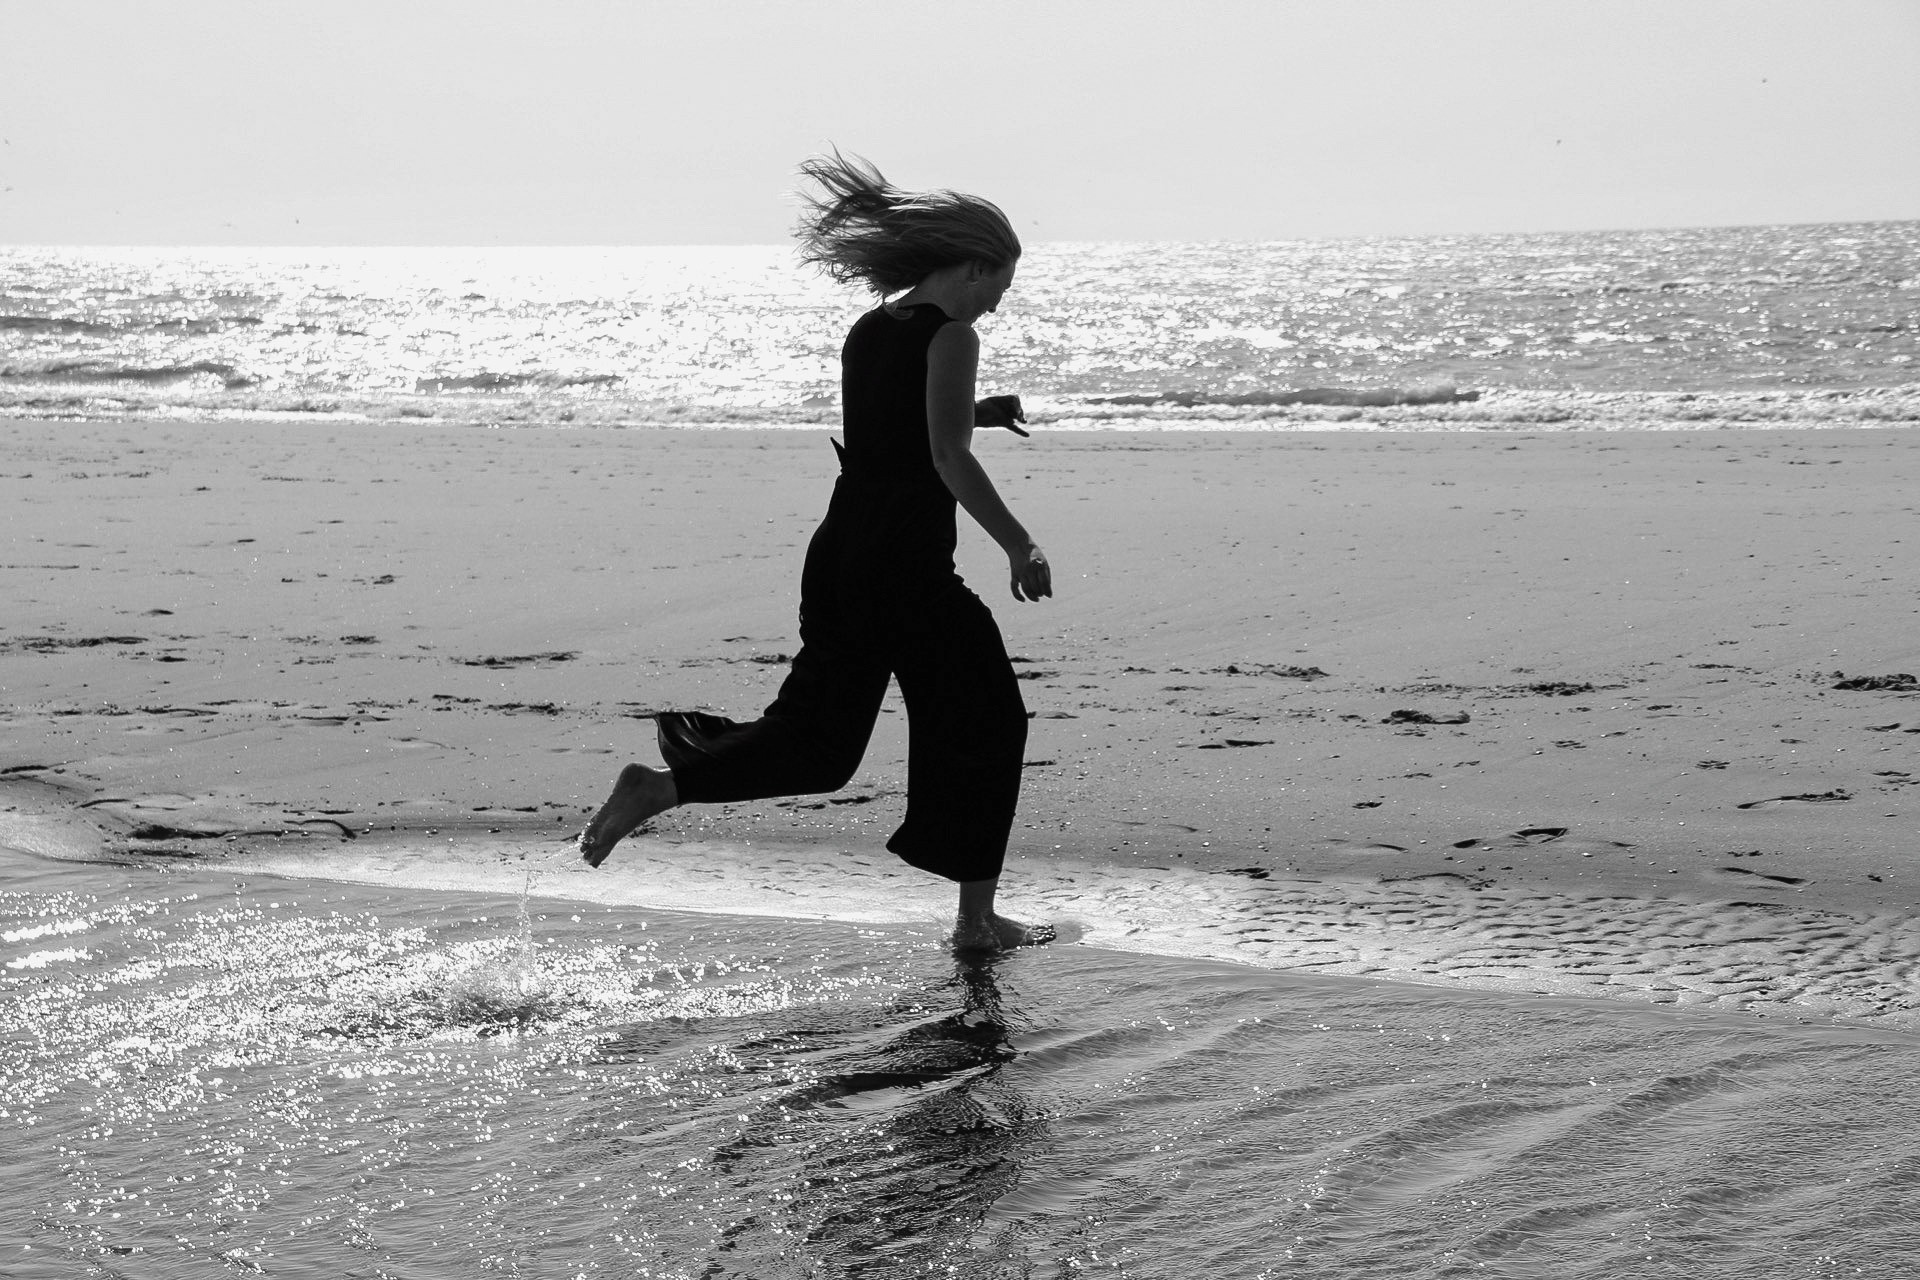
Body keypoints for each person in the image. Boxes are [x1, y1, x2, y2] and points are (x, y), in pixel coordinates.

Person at [579, 152, 1054, 953]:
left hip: (841, 560)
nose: (1002, 298)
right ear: (974, 266)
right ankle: (976, 923)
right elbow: (945, 459)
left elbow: (895, 433)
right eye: (1001, 280)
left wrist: (976, 408)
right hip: (906, 572)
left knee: (819, 745)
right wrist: (1020, 542)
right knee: (987, 718)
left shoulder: (871, 331)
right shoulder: (955, 336)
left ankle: (661, 788)